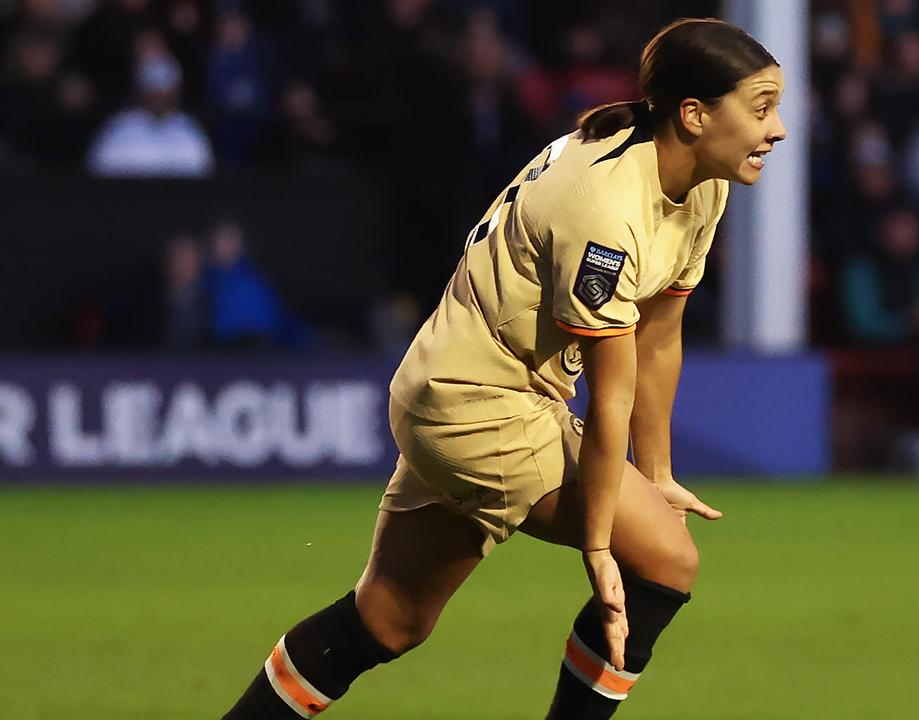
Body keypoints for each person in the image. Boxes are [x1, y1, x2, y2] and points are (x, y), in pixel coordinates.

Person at [222, 17, 785, 718]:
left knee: (389, 620)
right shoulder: (607, 208)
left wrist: (660, 471)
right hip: (478, 405)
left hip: (469, 389)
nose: (779, 129)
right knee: (668, 560)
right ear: (696, 115)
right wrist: (601, 542)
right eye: (762, 108)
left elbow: (659, 336)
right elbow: (611, 397)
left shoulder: (700, 183)